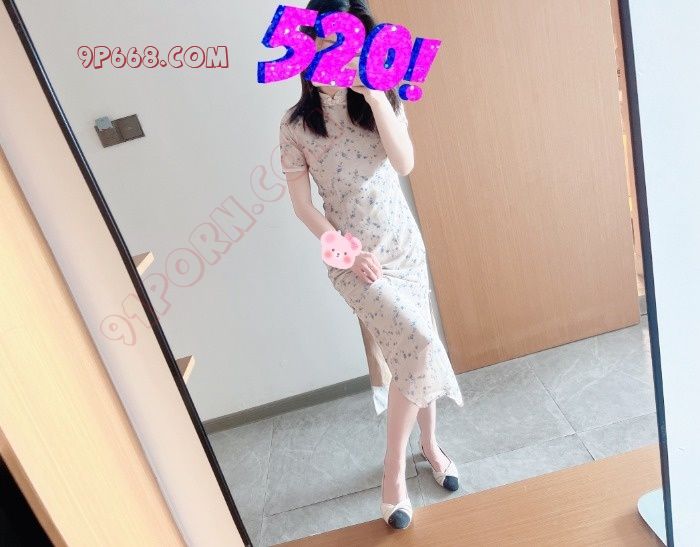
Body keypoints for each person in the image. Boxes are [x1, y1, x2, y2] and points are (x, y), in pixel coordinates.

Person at [278, 0, 464, 530]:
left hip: (403, 247)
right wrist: (347, 251)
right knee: (418, 343)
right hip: (351, 259)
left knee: (418, 344)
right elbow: (302, 207)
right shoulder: (296, 126)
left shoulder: (380, 97)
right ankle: (393, 473)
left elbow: (404, 163)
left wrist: (377, 95)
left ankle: (430, 444)